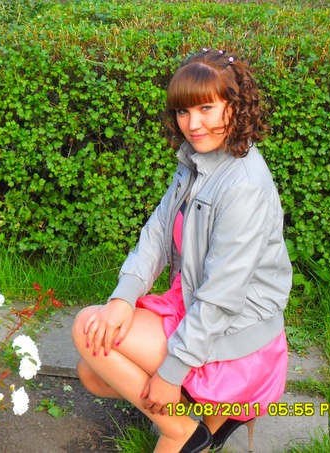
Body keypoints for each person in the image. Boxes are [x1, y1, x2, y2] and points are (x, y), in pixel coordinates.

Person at [72, 48, 292, 453]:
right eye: (183, 111)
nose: (192, 124)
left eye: (206, 108)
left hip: (233, 334)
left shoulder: (243, 185)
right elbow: (158, 231)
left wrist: (171, 372)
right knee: (93, 371)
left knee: (88, 329)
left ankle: (184, 431)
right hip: (196, 303)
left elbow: (222, 296)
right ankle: (205, 416)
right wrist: (123, 298)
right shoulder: (197, 159)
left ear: (234, 106)